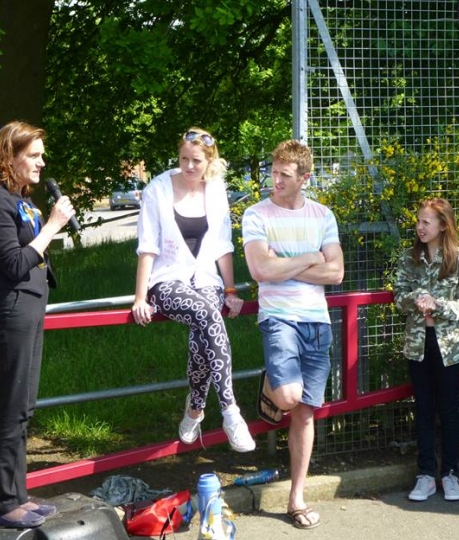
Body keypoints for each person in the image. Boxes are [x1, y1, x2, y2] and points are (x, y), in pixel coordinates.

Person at [0, 121, 75, 528]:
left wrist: (44, 226)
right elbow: (14, 263)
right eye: (33, 155)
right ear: (7, 158)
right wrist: (51, 227)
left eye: (41, 155)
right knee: (13, 404)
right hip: (11, 307)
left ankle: (16, 494)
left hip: (30, 305)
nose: (41, 162)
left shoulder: (19, 200)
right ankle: (4, 502)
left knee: (24, 406)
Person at [131, 127, 255, 454]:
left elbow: (222, 245)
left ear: (209, 162)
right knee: (206, 313)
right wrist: (141, 297)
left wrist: (230, 289)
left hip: (206, 279)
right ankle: (230, 411)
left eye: (196, 161)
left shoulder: (215, 190)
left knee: (205, 330)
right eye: (184, 159)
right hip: (167, 279)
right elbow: (147, 246)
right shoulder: (157, 189)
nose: (188, 166)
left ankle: (196, 407)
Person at [242, 140, 344, 529]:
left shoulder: (322, 215)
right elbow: (260, 270)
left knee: (304, 413)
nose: (276, 179)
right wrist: (309, 258)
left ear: (305, 177)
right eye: (274, 171)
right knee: (287, 398)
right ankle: (273, 383)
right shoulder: (256, 214)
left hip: (316, 321)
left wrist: (282, 264)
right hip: (278, 316)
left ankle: (296, 498)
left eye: (285, 174)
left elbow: (336, 274)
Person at [393, 198, 459, 503]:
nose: (420, 227)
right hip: (418, 345)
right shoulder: (409, 258)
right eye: (418, 221)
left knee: (448, 408)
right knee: (424, 409)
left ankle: (451, 473)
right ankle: (426, 474)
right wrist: (416, 297)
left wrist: (438, 305)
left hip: (449, 346)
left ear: (444, 225)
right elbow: (398, 297)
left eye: (426, 222)